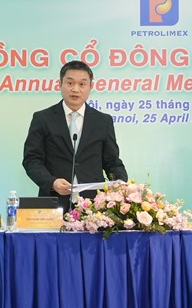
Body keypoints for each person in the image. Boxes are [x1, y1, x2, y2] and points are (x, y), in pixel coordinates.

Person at [22, 60, 128, 210]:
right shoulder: (43, 118)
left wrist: (120, 183)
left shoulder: (103, 121)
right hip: (53, 202)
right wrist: (52, 182)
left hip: (94, 206)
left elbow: (112, 162)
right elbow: (32, 160)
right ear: (60, 84)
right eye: (70, 83)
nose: (75, 89)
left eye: (82, 84)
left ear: (90, 86)